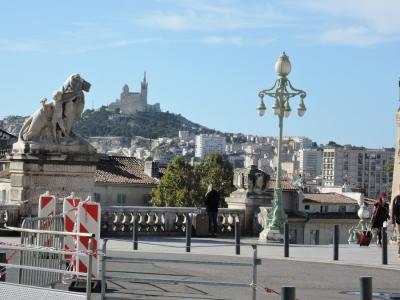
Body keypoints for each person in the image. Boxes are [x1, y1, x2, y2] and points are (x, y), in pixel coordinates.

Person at [391, 185, 400, 257]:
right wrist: (393, 222)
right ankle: (399, 251)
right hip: (399, 221)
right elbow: (393, 211)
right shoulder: (396, 198)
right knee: (399, 237)